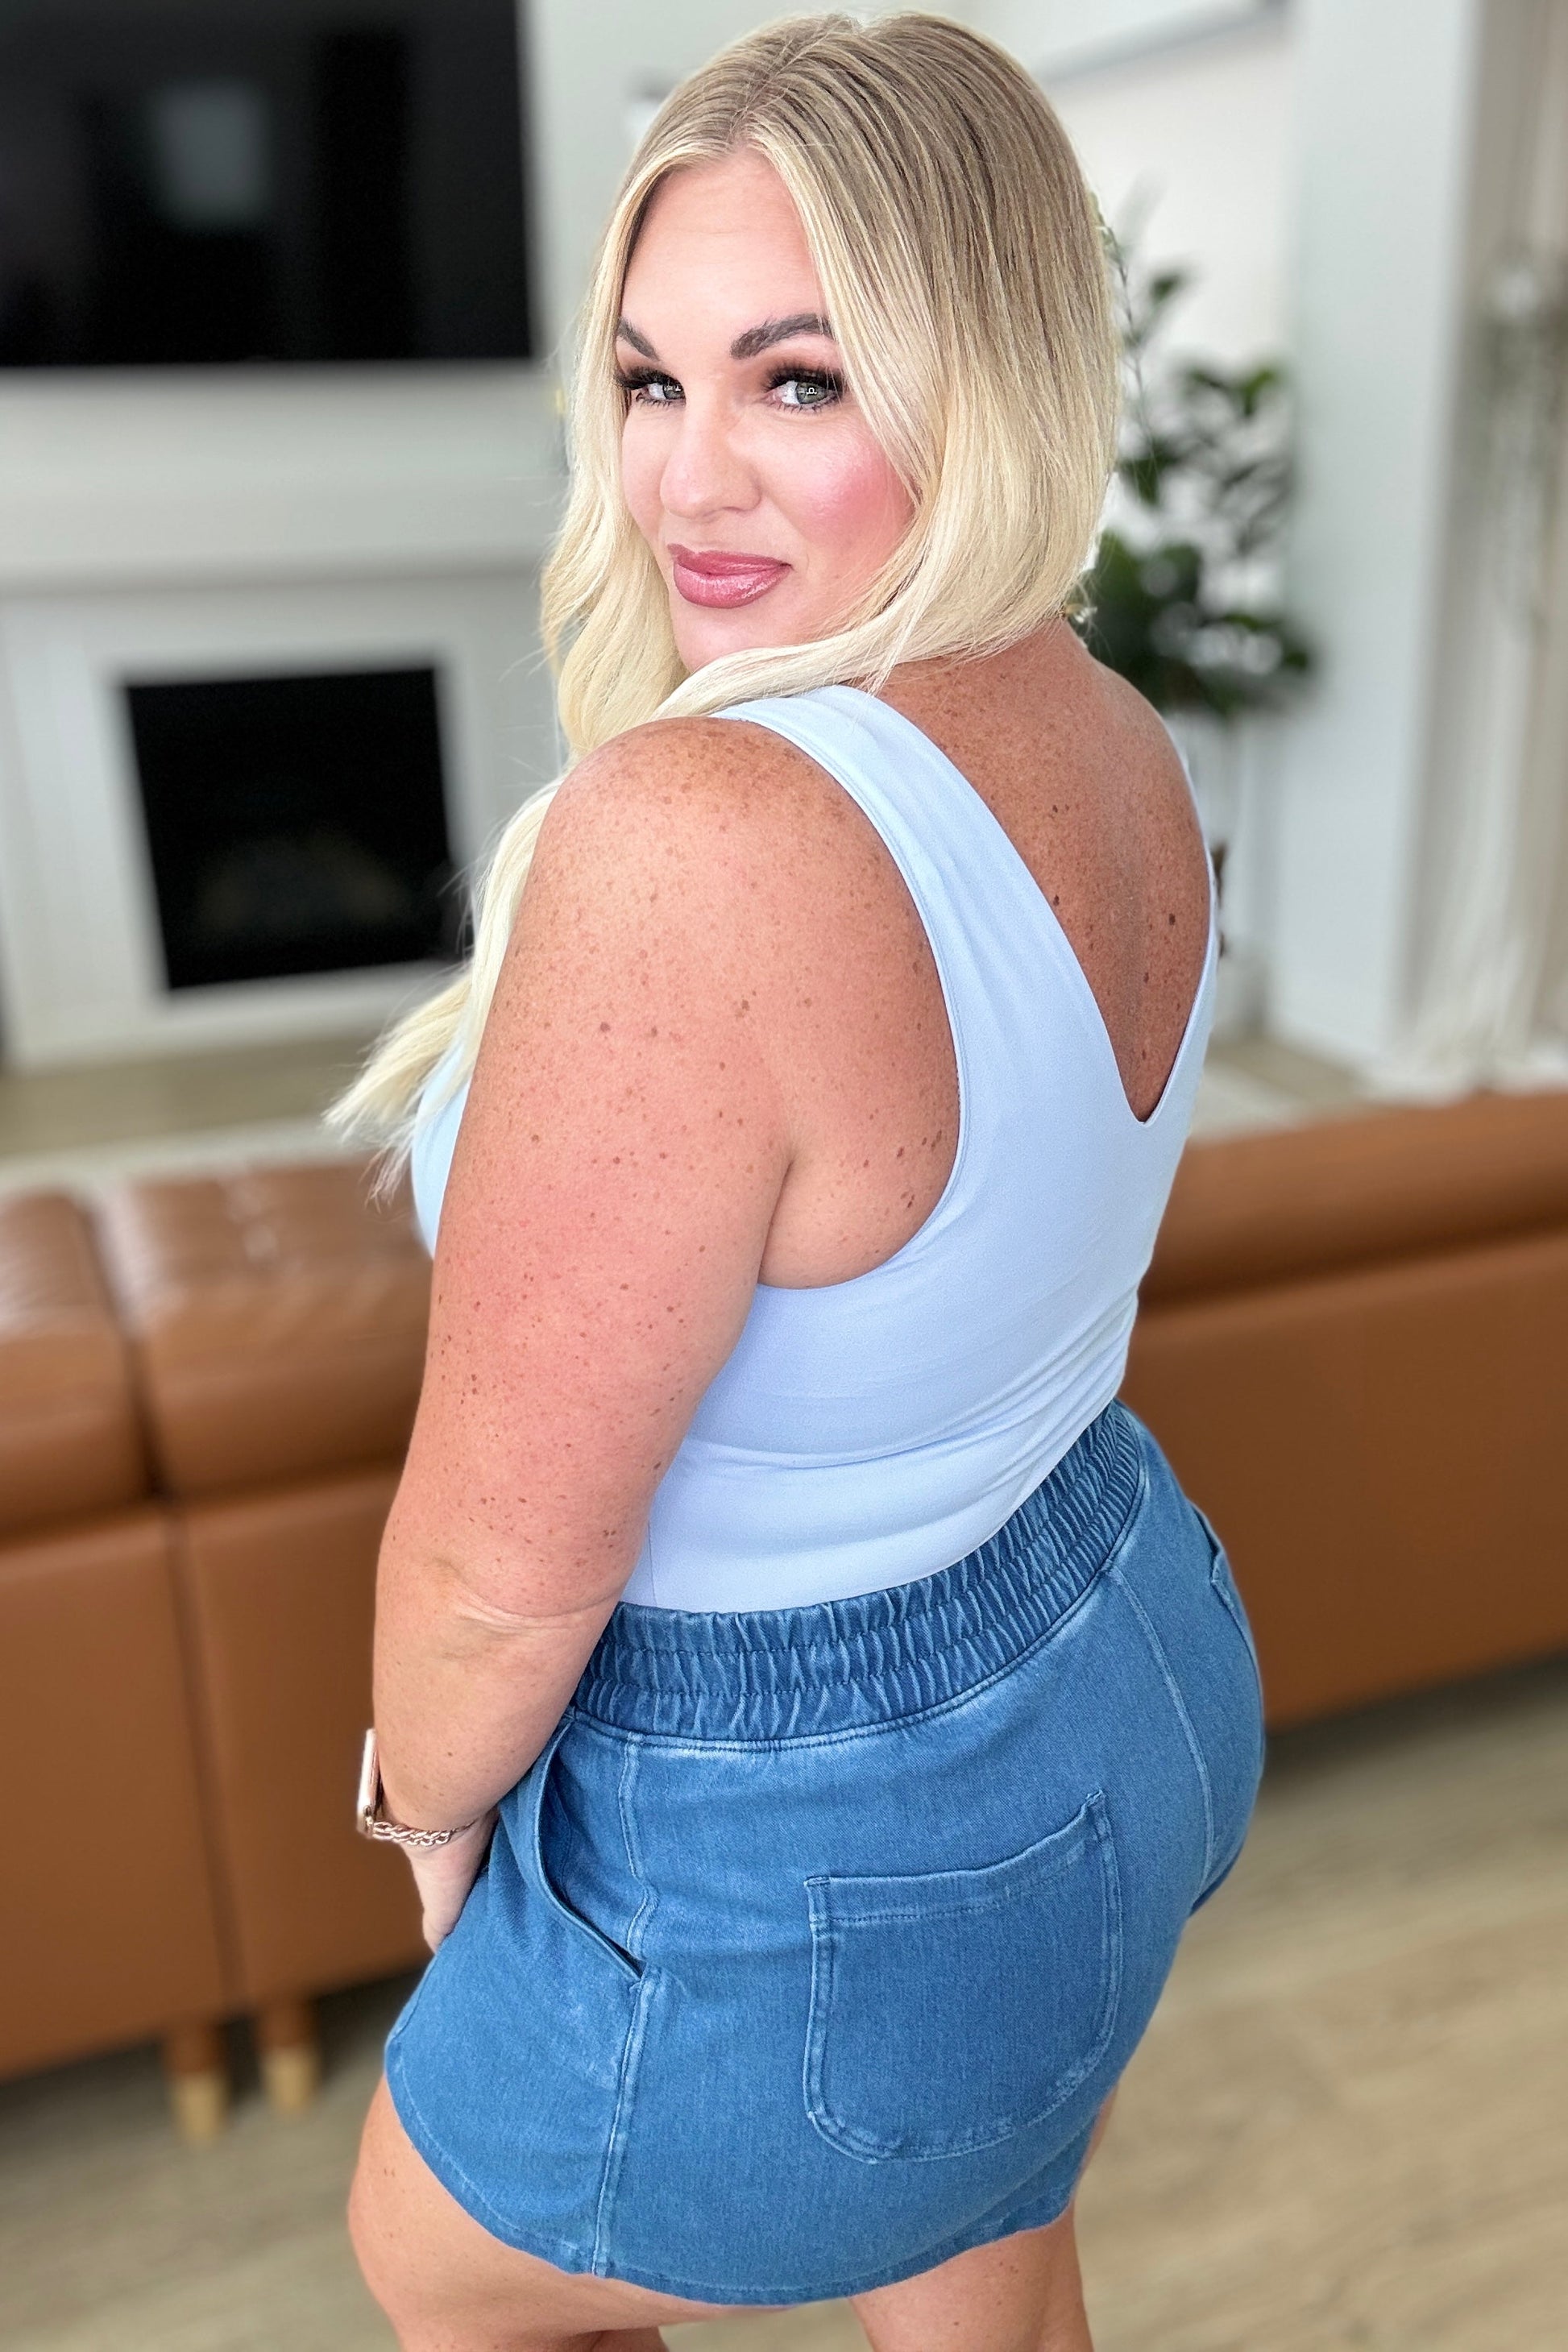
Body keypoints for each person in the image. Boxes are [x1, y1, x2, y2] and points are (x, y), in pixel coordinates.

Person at [338, 15, 1264, 2350]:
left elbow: (496, 1566)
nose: (686, 480)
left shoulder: (699, 835)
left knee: (447, 2270)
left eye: (799, 380)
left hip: (820, 1824)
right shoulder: (1111, 732)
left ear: (989, 377)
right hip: (1116, 1652)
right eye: (651, 382)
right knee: (980, 2229)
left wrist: (431, 1817)